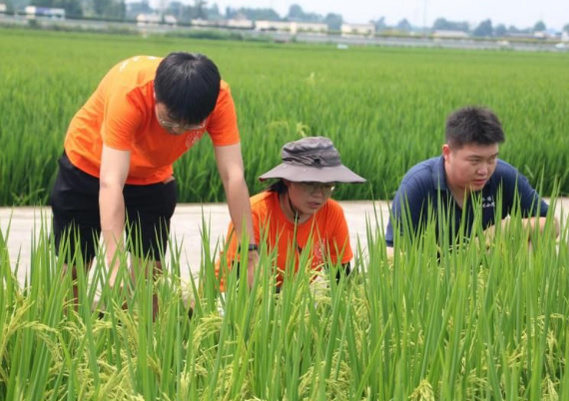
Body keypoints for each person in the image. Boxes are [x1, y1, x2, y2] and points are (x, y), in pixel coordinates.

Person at [50, 52, 256, 312]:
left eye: (191, 126)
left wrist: (250, 250)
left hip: (151, 176)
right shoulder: (131, 91)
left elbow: (233, 175)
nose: (179, 131)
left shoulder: (219, 98)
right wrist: (114, 265)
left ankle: (140, 339)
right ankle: (69, 333)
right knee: (74, 267)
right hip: (89, 166)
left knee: (150, 275)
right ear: (155, 95)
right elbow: (112, 181)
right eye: (169, 121)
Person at [385, 106, 559, 249]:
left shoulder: (504, 176)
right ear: (447, 153)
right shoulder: (419, 183)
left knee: (534, 244)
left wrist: (502, 231)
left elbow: (553, 225)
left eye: (492, 159)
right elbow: (395, 253)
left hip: (488, 270)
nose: (484, 170)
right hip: (433, 276)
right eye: (474, 160)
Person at [218, 136, 366, 291]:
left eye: (327, 186)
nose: (319, 195)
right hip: (230, 296)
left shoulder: (332, 213)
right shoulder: (254, 213)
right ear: (287, 181)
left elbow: (341, 278)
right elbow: (241, 280)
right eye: (309, 184)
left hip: (289, 299)